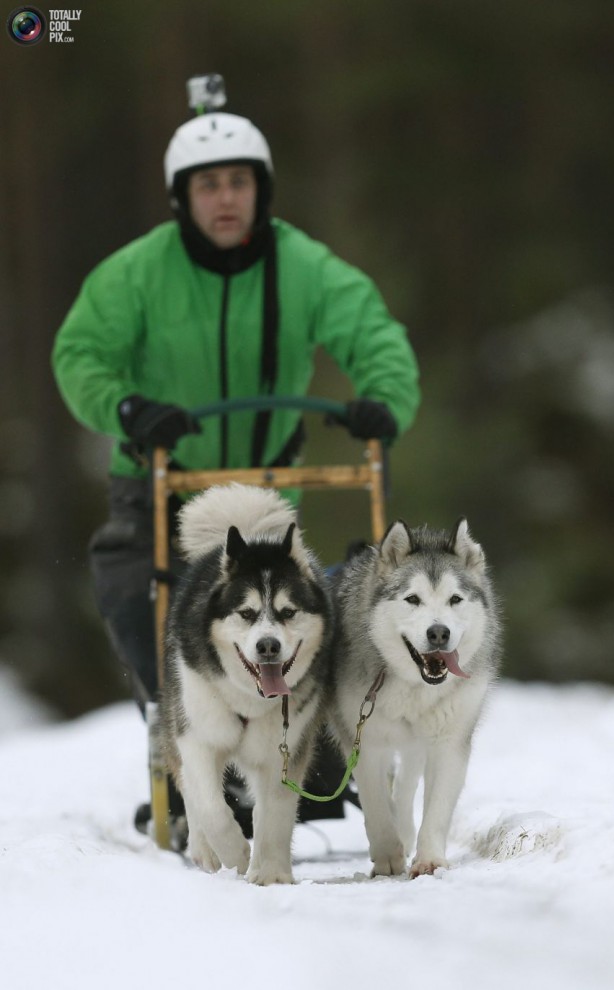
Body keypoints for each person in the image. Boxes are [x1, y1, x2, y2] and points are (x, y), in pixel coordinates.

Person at [51, 97, 420, 839]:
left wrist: (382, 400)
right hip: (159, 484)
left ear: (261, 189)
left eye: (238, 182)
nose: (225, 198)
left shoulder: (305, 267)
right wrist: (126, 408)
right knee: (132, 587)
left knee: (307, 605)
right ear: (183, 197)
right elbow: (79, 354)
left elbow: (375, 335)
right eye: (208, 184)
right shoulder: (136, 273)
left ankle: (304, 754)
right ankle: (192, 743)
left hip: (263, 503)